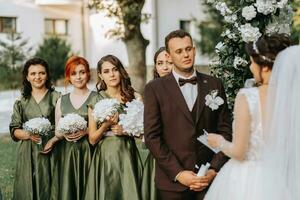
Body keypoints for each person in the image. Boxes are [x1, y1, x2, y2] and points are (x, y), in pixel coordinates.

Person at [144, 29, 232, 200]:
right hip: (173, 184)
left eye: (188, 49)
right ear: (169, 56)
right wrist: (178, 173)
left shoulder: (214, 84)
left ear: (194, 49)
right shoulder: (154, 88)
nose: (185, 54)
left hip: (210, 181)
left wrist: (213, 170)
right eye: (179, 51)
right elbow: (152, 137)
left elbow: (226, 131)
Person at [204, 34, 291, 200]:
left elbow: (239, 152)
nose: (251, 67)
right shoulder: (292, 99)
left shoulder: (248, 97)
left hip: (245, 180)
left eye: (252, 62)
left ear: (265, 67)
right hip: (279, 179)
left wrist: (219, 142)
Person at [84, 55, 142, 200]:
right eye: (107, 71)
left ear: (120, 71)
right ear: (100, 75)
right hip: (105, 155)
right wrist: (105, 126)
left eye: (115, 70)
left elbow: (143, 132)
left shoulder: (134, 97)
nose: (112, 74)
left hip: (127, 153)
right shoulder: (95, 99)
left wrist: (126, 131)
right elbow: (92, 139)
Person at [45, 56, 97, 200]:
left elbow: (102, 128)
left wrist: (86, 131)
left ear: (88, 74)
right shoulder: (62, 100)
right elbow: (57, 129)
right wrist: (63, 134)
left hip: (89, 151)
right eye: (74, 73)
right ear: (68, 76)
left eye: (82, 72)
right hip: (67, 152)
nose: (78, 77)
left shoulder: (96, 97)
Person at [9, 58, 60, 200]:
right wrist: (26, 134)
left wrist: (51, 132)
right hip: (28, 150)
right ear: (27, 77)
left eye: (41, 73)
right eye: (33, 74)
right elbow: (14, 129)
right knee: (28, 187)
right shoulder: (21, 101)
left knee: (51, 187)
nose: (37, 77)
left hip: (52, 148)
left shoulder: (57, 97)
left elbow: (61, 124)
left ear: (47, 75)